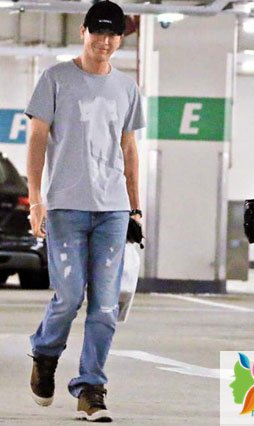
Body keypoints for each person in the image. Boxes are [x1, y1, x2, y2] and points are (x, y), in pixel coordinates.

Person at [25, 1, 145, 422]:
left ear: (121, 39)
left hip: (112, 210)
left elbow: (128, 148)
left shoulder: (127, 87)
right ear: (83, 32)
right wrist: (35, 198)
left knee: (106, 306)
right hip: (66, 208)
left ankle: (90, 387)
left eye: (113, 34)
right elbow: (37, 138)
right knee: (70, 296)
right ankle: (45, 352)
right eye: (98, 32)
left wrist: (134, 207)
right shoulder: (56, 78)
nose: (105, 42)